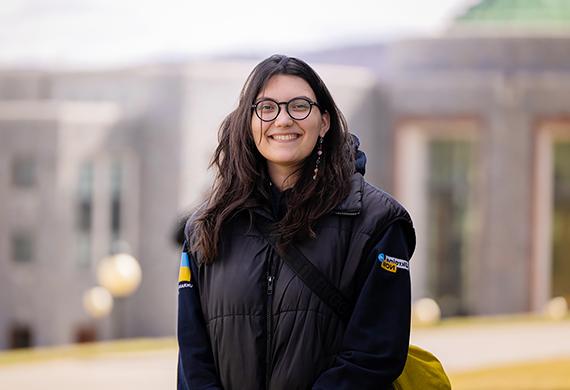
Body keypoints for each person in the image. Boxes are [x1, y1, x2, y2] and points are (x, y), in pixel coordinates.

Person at [177, 54, 415, 390]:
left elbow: (375, 355)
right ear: (249, 122)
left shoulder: (378, 222)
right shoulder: (206, 226)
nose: (283, 119)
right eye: (267, 108)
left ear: (325, 121)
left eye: (299, 106)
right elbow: (192, 358)